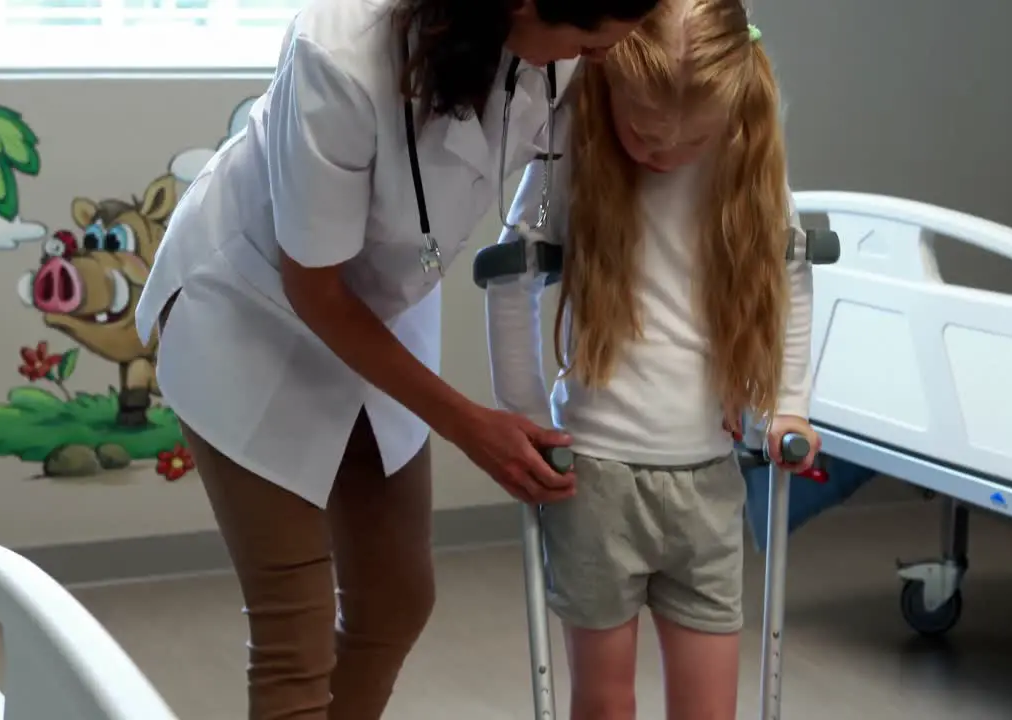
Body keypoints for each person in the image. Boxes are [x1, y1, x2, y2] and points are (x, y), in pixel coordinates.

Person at [131, 0, 658, 716]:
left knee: (395, 598)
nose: (600, 58)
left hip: (380, 306)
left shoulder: (548, 39)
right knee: (295, 636)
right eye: (589, 40)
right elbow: (313, 290)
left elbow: (700, 36)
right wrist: (472, 425)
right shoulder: (339, 54)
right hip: (254, 314)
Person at [485, 1, 820, 717]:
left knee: (710, 706)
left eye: (689, 139)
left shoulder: (748, 155)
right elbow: (508, 270)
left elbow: (791, 272)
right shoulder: (569, 144)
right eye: (640, 131)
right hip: (596, 481)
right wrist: (520, 411)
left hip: (707, 477)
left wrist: (790, 403)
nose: (661, 153)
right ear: (611, 84)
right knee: (604, 703)